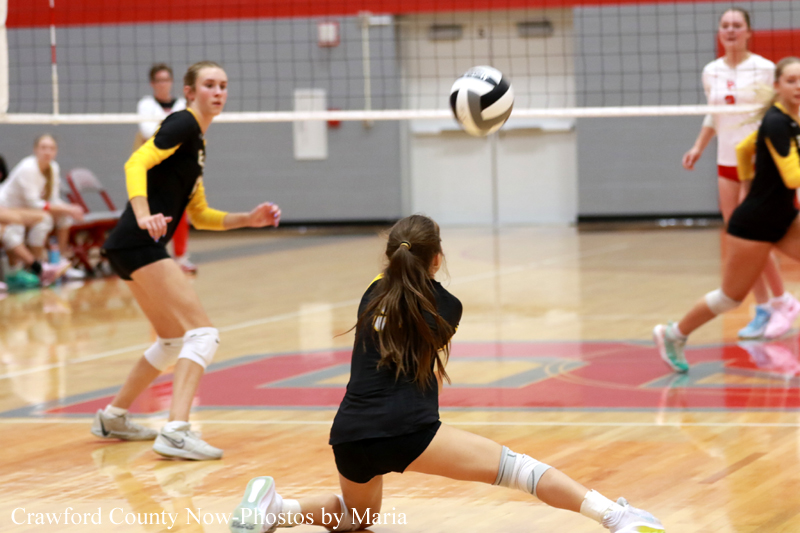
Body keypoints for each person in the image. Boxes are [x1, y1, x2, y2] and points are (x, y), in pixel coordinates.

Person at [229, 215, 665, 533]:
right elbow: (427, 365)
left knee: (357, 517)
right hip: (408, 429)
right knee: (520, 470)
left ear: (390, 257)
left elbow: (396, 283)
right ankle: (617, 517)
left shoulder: (369, 294)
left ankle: (276, 510)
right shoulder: (447, 307)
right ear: (437, 259)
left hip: (349, 434)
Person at [91, 61, 282, 460]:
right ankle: (176, 431)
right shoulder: (182, 123)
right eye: (209, 85)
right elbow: (135, 162)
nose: (219, 92)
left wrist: (248, 219)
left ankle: (113, 417)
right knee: (203, 334)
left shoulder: (197, 143)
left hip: (126, 246)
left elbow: (199, 215)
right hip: (138, 241)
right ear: (190, 92)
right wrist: (143, 214)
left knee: (171, 341)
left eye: (223, 85)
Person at [655, 57, 800, 373]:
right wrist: (753, 195)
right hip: (755, 226)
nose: (798, 86)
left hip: (781, 218)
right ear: (777, 85)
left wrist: (747, 185)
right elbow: (792, 177)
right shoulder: (777, 122)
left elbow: (744, 149)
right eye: (791, 80)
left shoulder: (789, 120)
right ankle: (673, 334)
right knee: (730, 298)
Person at [682, 8, 799, 340]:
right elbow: (714, 114)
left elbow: (779, 112)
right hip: (726, 160)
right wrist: (699, 146)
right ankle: (765, 306)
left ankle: (781, 300)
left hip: (758, 164)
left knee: (756, 237)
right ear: (719, 32)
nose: (731, 30)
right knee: (739, 239)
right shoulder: (711, 71)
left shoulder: (765, 69)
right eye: (725, 25)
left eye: (737, 25)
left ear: (749, 32)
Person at [0, 134, 85, 289]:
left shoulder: (53, 168)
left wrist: (69, 209)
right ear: (35, 150)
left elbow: (53, 200)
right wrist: (67, 208)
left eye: (51, 148)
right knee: (43, 219)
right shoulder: (28, 168)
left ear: (56, 151)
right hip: (8, 207)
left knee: (64, 217)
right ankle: (38, 267)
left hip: (26, 210)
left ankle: (58, 262)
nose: (47, 152)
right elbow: (34, 203)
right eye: (43, 148)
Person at [135, 63, 197, 274]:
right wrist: (173, 129)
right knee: (155, 213)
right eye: (159, 80)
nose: (163, 84)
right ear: (152, 84)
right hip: (153, 166)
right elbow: (147, 132)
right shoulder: (145, 104)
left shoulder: (182, 104)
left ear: (171, 82)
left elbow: (186, 133)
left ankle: (181, 257)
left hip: (177, 166)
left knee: (180, 212)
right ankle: (155, 258)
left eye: (166, 80)